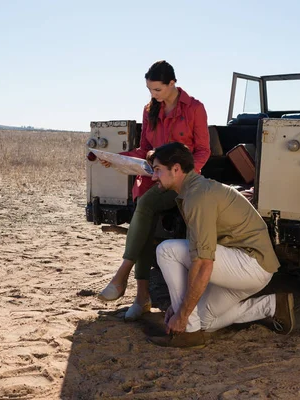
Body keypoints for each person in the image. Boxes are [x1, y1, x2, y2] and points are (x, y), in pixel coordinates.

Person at [145, 142, 294, 348]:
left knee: (167, 250)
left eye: (158, 170)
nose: (154, 177)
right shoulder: (194, 191)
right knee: (204, 321)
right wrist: (179, 309)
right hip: (246, 267)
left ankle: (187, 333)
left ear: (176, 169)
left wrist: (182, 315)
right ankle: (271, 306)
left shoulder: (198, 196)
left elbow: (203, 263)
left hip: (250, 264)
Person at [97, 60, 211, 322]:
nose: (153, 95)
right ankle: (140, 297)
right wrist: (117, 158)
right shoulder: (150, 110)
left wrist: (184, 174)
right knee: (144, 214)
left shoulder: (194, 108)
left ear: (173, 83)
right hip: (154, 176)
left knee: (145, 205)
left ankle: (124, 278)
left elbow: (203, 150)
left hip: (182, 178)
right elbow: (144, 149)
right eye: (150, 90)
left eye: (158, 90)